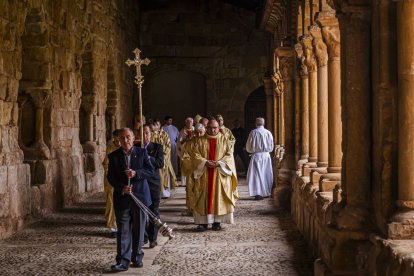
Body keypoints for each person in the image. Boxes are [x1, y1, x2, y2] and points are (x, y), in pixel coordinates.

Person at [107, 128, 154, 272]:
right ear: (118, 140)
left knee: (139, 229)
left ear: (133, 138)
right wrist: (122, 188)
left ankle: (137, 256)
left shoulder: (141, 153)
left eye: (128, 137)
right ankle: (123, 260)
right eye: (122, 138)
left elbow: (151, 171)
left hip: (139, 196)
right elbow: (111, 177)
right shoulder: (113, 156)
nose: (125, 140)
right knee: (123, 230)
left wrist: (136, 173)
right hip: (122, 198)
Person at [191, 119, 238, 231]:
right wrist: (205, 162)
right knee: (203, 197)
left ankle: (217, 222)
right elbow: (195, 155)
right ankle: (203, 223)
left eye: (215, 128)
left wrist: (219, 163)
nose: (212, 130)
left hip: (219, 174)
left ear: (218, 128)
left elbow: (229, 155)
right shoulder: (199, 140)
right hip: (204, 174)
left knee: (219, 197)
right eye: (210, 128)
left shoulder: (224, 140)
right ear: (206, 128)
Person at [141, 124, 164, 248]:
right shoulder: (135, 147)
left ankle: (153, 238)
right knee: (140, 210)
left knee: (153, 210)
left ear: (151, 134)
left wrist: (148, 157)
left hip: (153, 183)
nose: (145, 136)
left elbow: (160, 163)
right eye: (142, 133)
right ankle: (142, 236)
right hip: (140, 183)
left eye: (147, 133)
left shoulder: (157, 147)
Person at [246, 117, 274, 200]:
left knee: (256, 175)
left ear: (255, 123)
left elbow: (248, 146)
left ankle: (258, 193)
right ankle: (266, 192)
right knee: (266, 174)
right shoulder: (268, 133)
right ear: (264, 123)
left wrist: (251, 151)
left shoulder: (253, 132)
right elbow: (271, 146)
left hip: (256, 156)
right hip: (266, 156)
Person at [180, 123, 206, 216]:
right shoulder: (190, 143)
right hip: (192, 170)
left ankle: (204, 210)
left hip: (204, 171)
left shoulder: (207, 142)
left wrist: (202, 163)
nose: (199, 135)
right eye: (197, 133)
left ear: (204, 131)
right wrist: (193, 165)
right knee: (191, 191)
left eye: (201, 133)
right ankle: (192, 210)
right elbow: (185, 156)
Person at [102, 129, 120, 238]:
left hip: (121, 180)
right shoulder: (110, 149)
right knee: (111, 202)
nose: (117, 142)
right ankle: (113, 227)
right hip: (111, 181)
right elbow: (106, 164)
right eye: (116, 139)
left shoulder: (124, 148)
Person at [152, 119, 177, 198]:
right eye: (154, 125)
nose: (156, 126)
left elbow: (168, 145)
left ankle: (165, 193)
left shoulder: (164, 134)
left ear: (159, 125)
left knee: (165, 175)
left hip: (164, 157)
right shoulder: (151, 134)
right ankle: (158, 193)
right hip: (155, 158)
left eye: (157, 124)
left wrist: (162, 154)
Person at [177, 117, 194, 186]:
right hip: (185, 151)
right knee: (184, 166)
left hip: (193, 151)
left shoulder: (195, 130)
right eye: (188, 122)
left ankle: (193, 180)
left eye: (191, 122)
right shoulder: (182, 131)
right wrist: (185, 139)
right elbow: (179, 142)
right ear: (186, 123)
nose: (189, 123)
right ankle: (184, 182)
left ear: (193, 123)